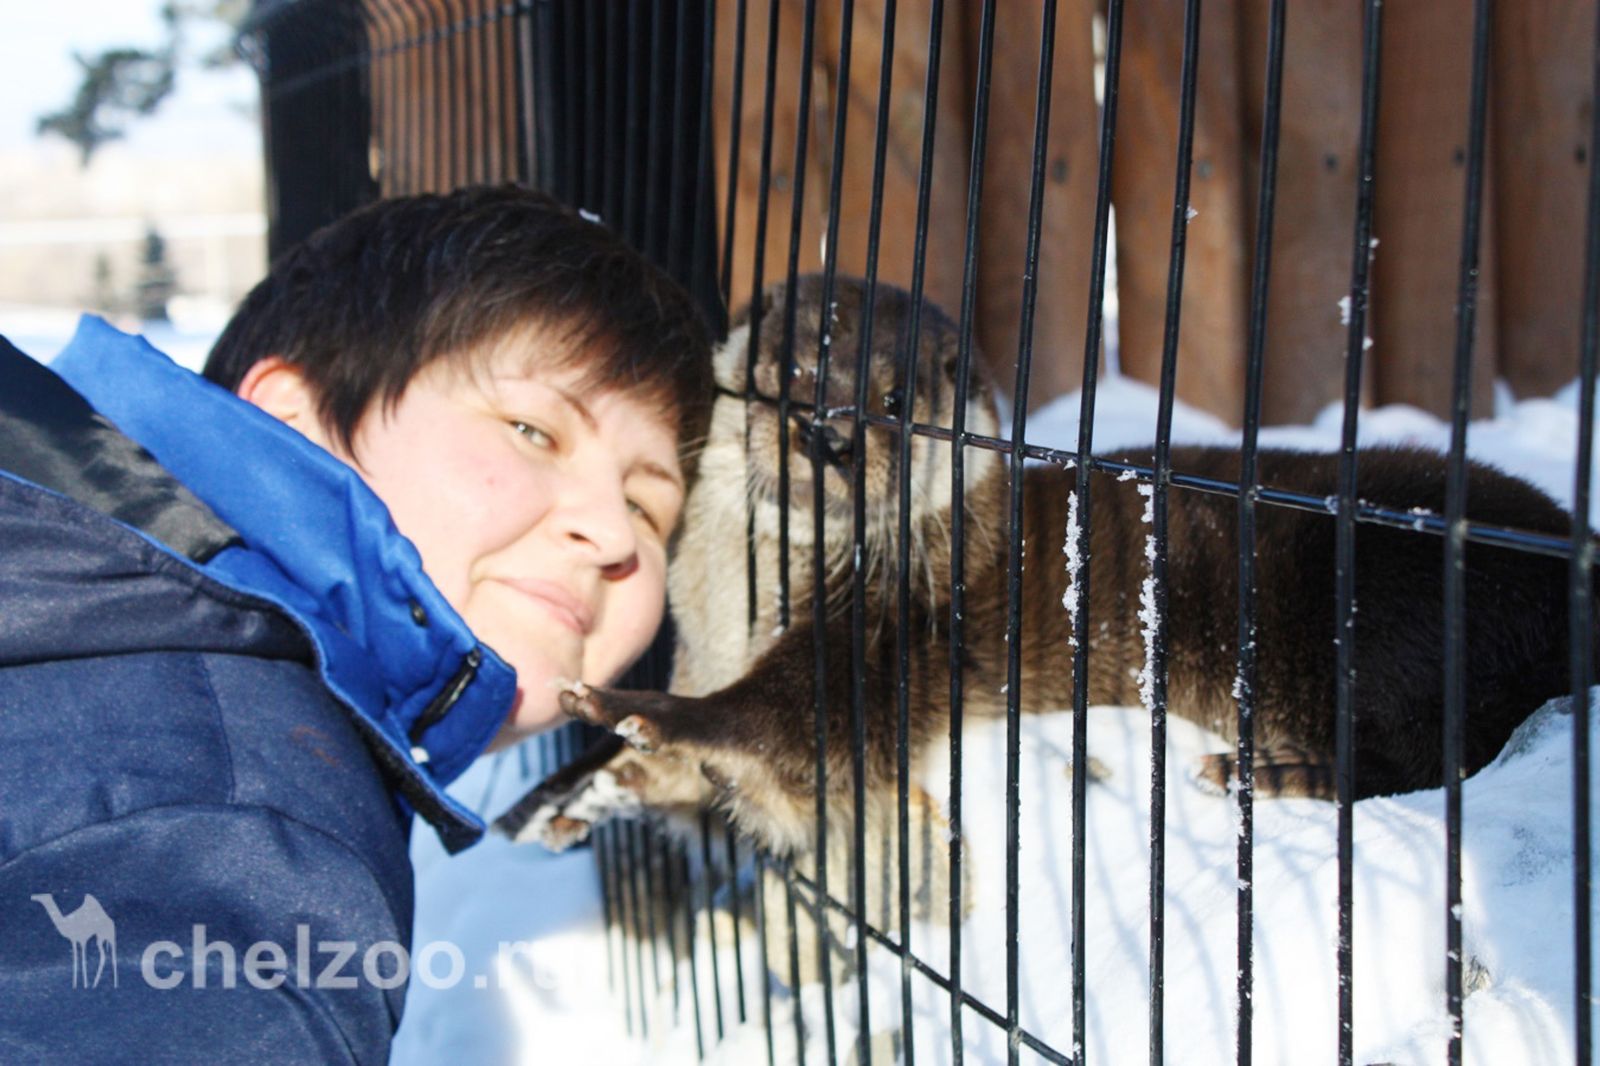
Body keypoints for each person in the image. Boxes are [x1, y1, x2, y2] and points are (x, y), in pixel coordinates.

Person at [0, 185, 712, 1063]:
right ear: (292, 418)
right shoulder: (240, 830)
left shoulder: (88, 587)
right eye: (531, 429)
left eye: (648, 506)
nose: (610, 532)